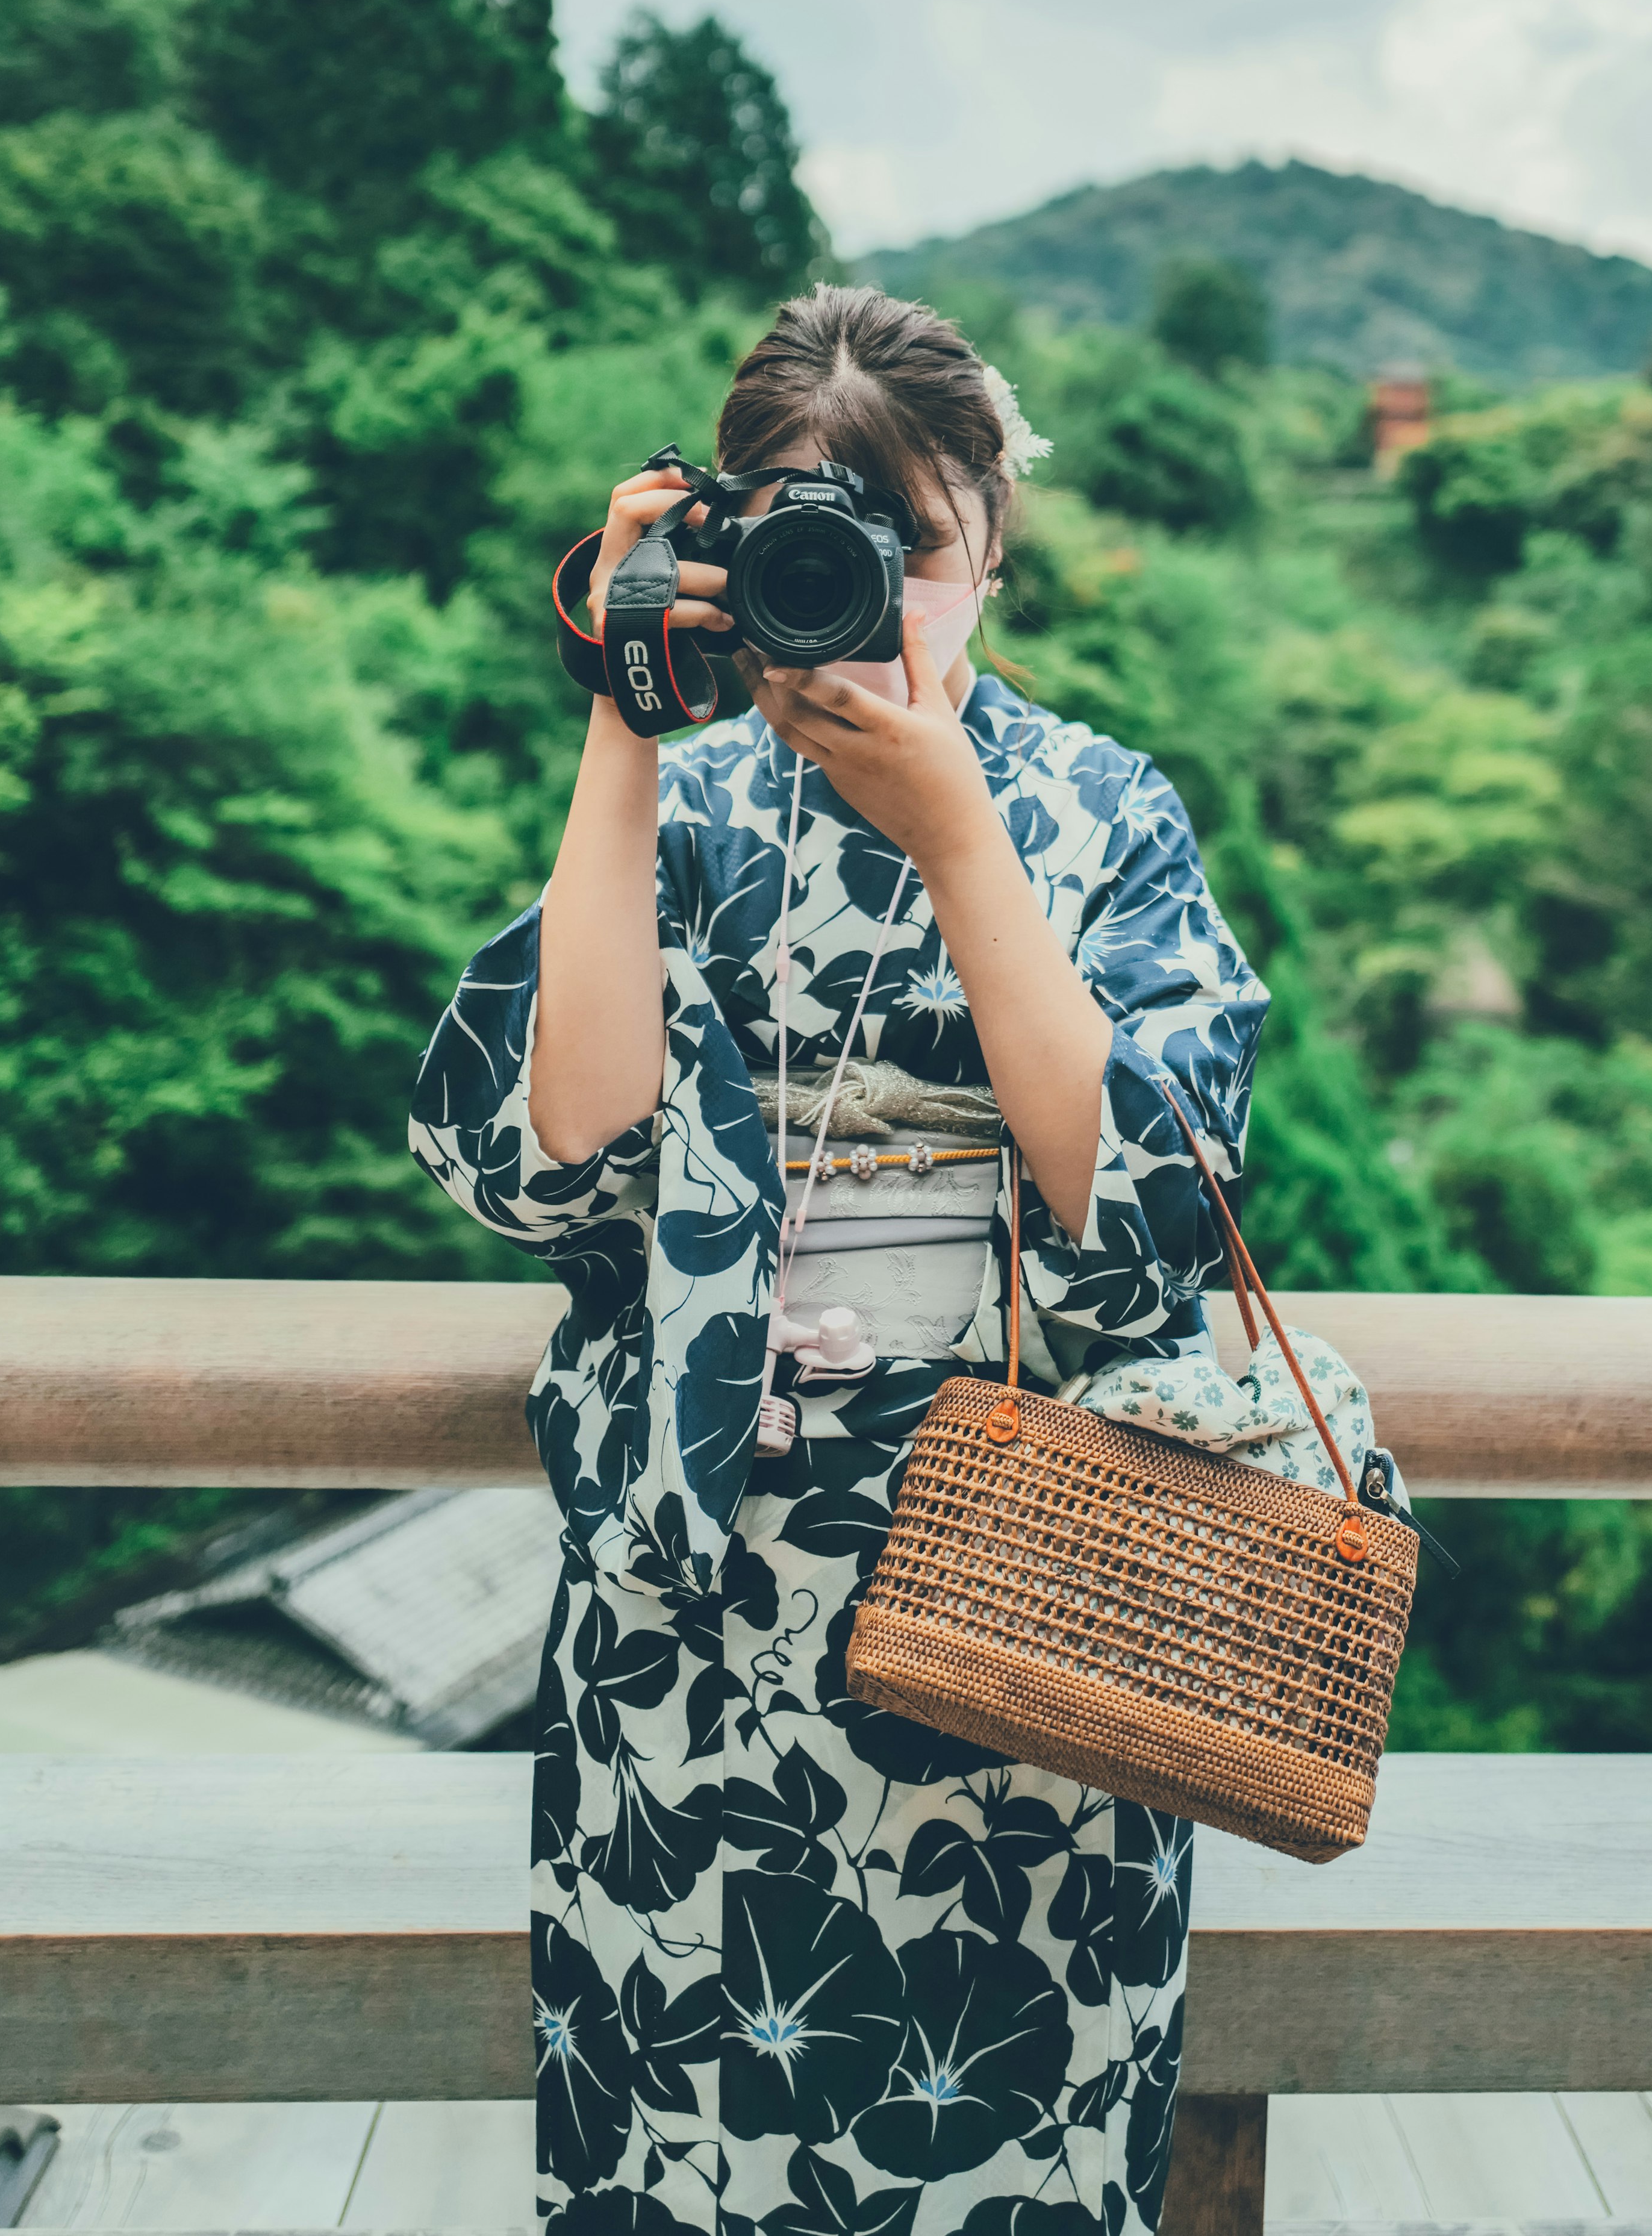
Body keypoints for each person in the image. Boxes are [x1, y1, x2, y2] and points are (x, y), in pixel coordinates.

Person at [411, 284, 1268, 2234]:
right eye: (806, 533)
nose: (863, 590)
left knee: (1012, 2157)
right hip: (702, 1633)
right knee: (676, 2163)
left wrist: (965, 839)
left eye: (913, 548)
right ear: (725, 542)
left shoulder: (1100, 814)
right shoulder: (690, 810)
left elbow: (1149, 1221)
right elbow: (565, 1157)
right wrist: (626, 722)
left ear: (987, 547)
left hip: (1028, 1625)